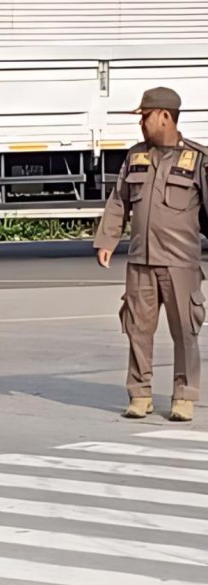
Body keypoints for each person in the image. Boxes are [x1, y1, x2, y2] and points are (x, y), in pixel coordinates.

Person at [94, 87, 208, 422]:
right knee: (137, 330)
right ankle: (139, 394)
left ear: (165, 116)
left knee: (185, 332)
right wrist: (108, 240)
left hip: (180, 262)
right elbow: (119, 201)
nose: (141, 124)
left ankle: (184, 397)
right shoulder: (136, 156)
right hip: (141, 261)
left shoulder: (198, 159)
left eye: (145, 117)